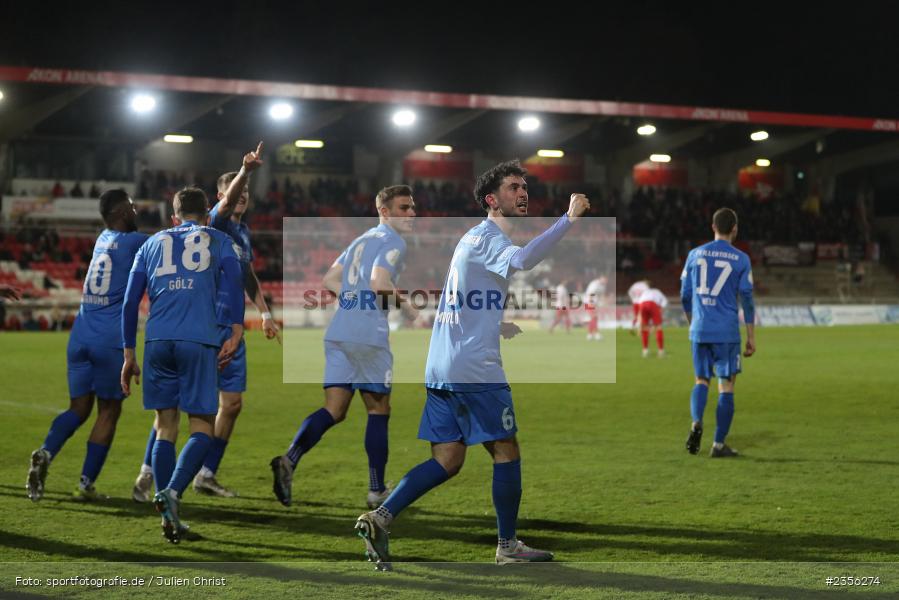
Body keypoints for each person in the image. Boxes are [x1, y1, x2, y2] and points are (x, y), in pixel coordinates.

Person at [354, 160, 590, 570]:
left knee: (448, 459)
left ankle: (380, 517)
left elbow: (464, 297)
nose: (522, 192)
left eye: (523, 185)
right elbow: (524, 261)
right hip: (474, 369)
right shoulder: (489, 237)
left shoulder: (471, 239)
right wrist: (568, 220)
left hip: (442, 365)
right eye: (513, 186)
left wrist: (495, 323)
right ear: (491, 199)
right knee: (506, 449)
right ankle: (508, 545)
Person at [132, 142, 272, 501]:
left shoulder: (241, 234)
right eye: (233, 194)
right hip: (207, 327)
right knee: (185, 412)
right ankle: (153, 473)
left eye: (244, 195)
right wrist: (244, 172)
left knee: (228, 405)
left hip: (213, 329)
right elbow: (225, 204)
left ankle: (203, 474)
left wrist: (265, 312)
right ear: (217, 201)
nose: (240, 199)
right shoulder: (217, 225)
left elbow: (248, 277)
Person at [270, 185, 417, 509]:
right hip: (367, 335)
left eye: (412, 207)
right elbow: (380, 283)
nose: (412, 214)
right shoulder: (394, 242)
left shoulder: (360, 240)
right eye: (404, 208)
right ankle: (377, 490)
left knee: (334, 410)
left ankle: (290, 460)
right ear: (384, 211)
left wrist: (352, 298)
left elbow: (329, 280)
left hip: (339, 331)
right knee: (379, 410)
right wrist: (405, 305)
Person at [120, 187, 244, 543]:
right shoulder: (219, 240)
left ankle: (168, 519)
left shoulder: (150, 244)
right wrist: (235, 329)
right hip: (198, 339)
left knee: (164, 426)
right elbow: (234, 284)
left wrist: (129, 354)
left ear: (173, 217)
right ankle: (172, 492)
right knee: (203, 425)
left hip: (157, 341)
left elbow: (130, 303)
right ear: (206, 214)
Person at [26, 190, 148, 502]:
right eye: (132, 207)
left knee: (78, 408)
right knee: (109, 411)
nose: (136, 211)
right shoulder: (136, 242)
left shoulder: (102, 238)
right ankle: (85, 484)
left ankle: (46, 452)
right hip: (110, 340)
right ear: (122, 213)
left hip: (80, 334)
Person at [680, 207, 756, 458]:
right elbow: (747, 297)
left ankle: (696, 422)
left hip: (700, 329)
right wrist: (751, 336)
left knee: (701, 380)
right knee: (726, 387)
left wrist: (693, 321)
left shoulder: (694, 254)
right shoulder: (741, 259)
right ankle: (718, 444)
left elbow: (685, 295)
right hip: (727, 332)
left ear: (713, 227)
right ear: (735, 229)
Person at [637, 286, 668, 357]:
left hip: (642, 305)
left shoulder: (644, 293)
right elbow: (665, 302)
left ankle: (645, 351)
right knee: (659, 327)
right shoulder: (657, 291)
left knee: (644, 328)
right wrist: (660, 310)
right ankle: (661, 351)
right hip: (652, 304)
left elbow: (639, 312)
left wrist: (640, 327)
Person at [584, 275, 607, 340]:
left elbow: (601, 295)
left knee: (594, 318)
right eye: (604, 280)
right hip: (589, 302)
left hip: (595, 303)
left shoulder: (603, 286)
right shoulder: (594, 284)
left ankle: (590, 334)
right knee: (594, 317)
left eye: (606, 280)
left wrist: (600, 303)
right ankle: (596, 334)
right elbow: (591, 293)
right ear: (600, 278)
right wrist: (591, 303)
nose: (605, 281)